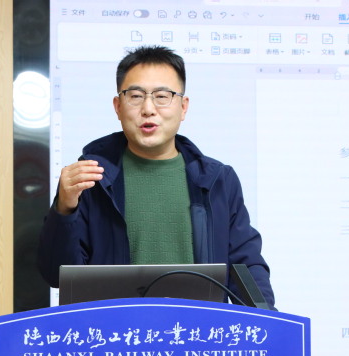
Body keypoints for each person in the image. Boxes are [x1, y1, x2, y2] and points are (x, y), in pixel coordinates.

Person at [37, 45, 275, 308]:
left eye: (162, 96)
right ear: (118, 106)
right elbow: (56, 275)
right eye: (136, 96)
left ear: (183, 107)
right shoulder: (91, 178)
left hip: (197, 330)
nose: (148, 108)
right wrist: (64, 209)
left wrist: (267, 319)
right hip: (114, 330)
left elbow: (246, 265)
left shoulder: (218, 180)